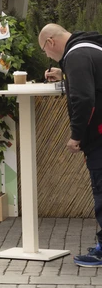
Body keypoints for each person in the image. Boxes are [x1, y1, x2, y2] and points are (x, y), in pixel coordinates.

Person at [40, 23, 102, 267]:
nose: (47, 56)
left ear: (50, 42)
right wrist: (65, 77)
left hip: (98, 135)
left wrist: (76, 135)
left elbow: (84, 98)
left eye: (44, 51)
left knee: (101, 190)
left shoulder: (76, 55)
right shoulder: (91, 47)